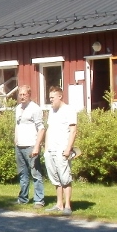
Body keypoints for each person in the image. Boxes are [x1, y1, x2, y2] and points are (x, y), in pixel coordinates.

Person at [41, 85, 78, 216]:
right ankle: (59, 204)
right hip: (51, 149)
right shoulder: (52, 111)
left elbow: (73, 131)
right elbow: (49, 130)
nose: (50, 100)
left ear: (60, 96)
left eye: (52, 97)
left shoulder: (69, 110)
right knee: (55, 178)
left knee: (65, 177)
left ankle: (67, 205)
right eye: (49, 97)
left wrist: (68, 149)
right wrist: (46, 149)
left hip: (62, 149)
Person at [14, 85, 45, 207]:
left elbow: (41, 128)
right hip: (19, 146)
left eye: (24, 94)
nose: (22, 97)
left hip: (31, 145)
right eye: (20, 94)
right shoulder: (18, 108)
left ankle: (39, 200)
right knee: (22, 174)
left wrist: (37, 146)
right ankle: (23, 198)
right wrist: (16, 139)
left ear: (29, 95)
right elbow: (17, 125)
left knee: (36, 174)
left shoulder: (35, 108)